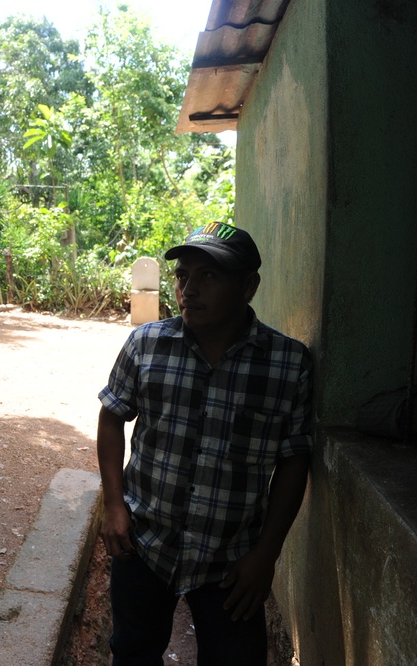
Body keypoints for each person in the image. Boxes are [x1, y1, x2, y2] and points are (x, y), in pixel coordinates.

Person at [96, 222, 313, 665]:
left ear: (248, 287)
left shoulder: (287, 365)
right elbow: (112, 416)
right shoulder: (146, 345)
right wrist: (115, 506)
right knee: (133, 651)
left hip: (231, 561)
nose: (189, 290)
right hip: (144, 543)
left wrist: (266, 555)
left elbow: (294, 461)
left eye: (208, 276)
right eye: (183, 276)